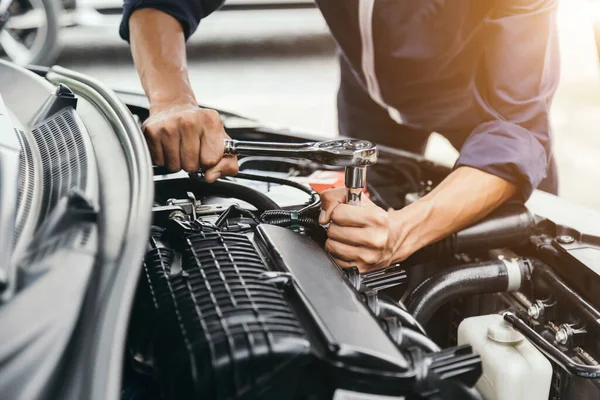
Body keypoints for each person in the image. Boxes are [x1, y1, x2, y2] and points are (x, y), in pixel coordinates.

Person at [119, 0, 559, 272]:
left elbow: (518, 129)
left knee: (528, 240)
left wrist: (401, 233)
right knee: (354, 230)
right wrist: (173, 100)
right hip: (368, 99)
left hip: (479, 108)